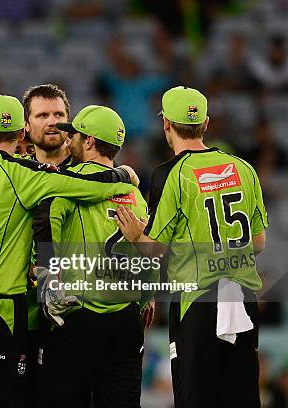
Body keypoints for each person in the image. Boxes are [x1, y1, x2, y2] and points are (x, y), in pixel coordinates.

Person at [0, 94, 135, 407]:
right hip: (1, 307)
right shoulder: (21, 174)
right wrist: (124, 176)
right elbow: (92, 187)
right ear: (23, 132)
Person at [115, 86, 268, 407]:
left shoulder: (170, 173)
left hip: (197, 301)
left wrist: (135, 237)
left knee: (196, 397)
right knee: (241, 397)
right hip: (243, 298)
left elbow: (156, 250)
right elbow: (258, 243)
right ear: (207, 123)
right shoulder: (244, 168)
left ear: (166, 124)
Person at [33, 105, 157, 407]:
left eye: (73, 135)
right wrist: (146, 296)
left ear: (88, 141)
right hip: (127, 319)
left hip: (79, 314)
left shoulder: (68, 184)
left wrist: (48, 278)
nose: (68, 141)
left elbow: (48, 229)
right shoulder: (134, 194)